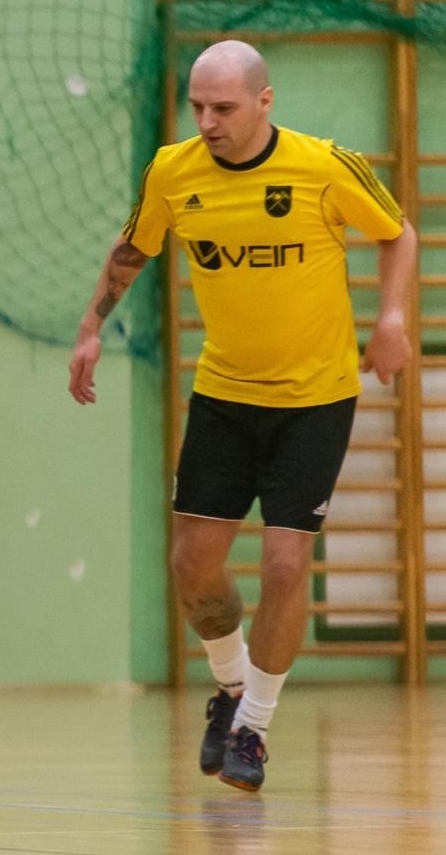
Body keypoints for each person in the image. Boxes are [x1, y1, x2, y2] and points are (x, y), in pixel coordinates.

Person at [69, 40, 416, 792]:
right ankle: (229, 688)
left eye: (222, 108)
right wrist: (92, 325)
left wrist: (390, 318)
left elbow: (398, 233)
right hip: (225, 395)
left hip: (315, 399)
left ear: (264, 101)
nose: (207, 122)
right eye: (198, 107)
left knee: (286, 564)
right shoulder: (174, 171)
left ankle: (253, 728)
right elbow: (133, 247)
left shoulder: (324, 165)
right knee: (192, 566)